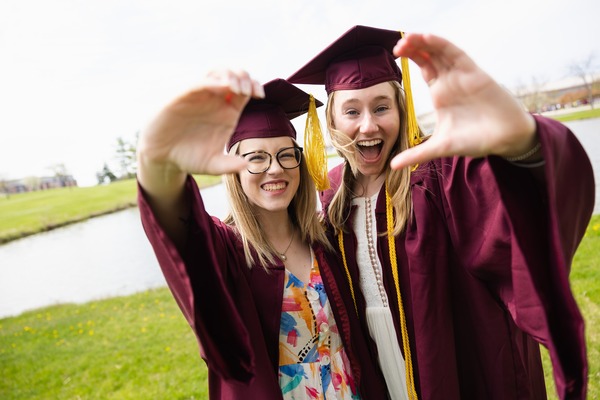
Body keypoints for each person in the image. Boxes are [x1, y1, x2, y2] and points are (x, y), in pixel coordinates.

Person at [288, 25, 594, 400]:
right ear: (332, 121)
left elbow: (524, 208)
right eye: (351, 110)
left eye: (381, 107)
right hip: (380, 364)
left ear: (401, 110)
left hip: (459, 362)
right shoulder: (329, 197)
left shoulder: (442, 172)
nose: (368, 124)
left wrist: (521, 144)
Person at [136, 74, 389, 399]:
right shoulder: (225, 251)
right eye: (256, 158)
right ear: (233, 170)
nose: (275, 169)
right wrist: (159, 162)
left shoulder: (324, 239)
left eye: (286, 154)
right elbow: (174, 223)